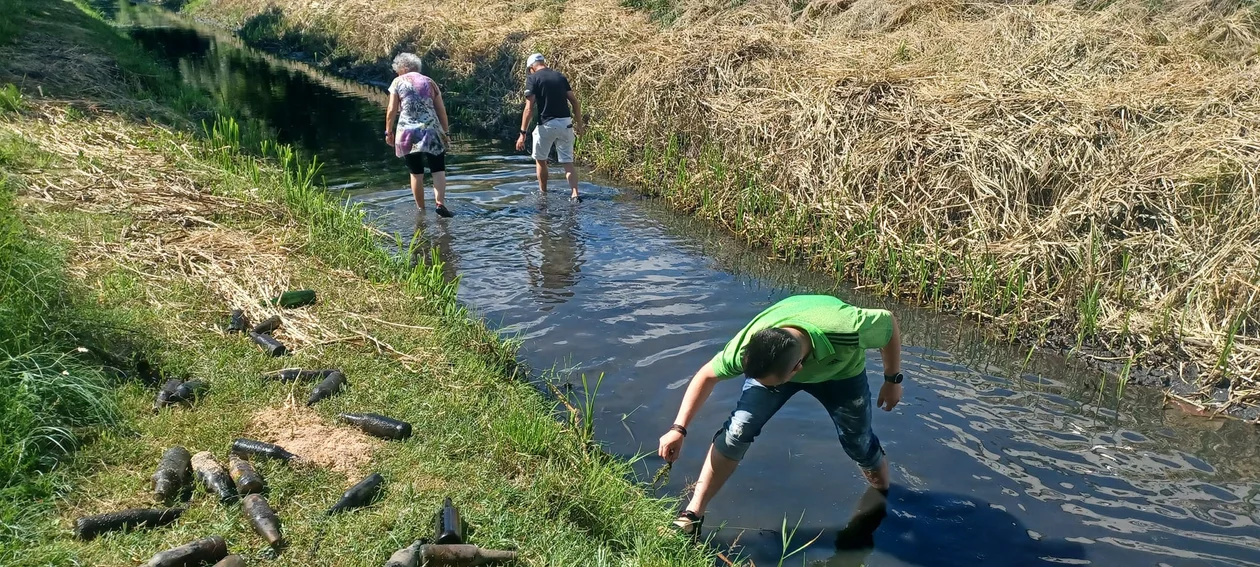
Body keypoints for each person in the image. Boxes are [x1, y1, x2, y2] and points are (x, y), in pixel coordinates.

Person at [657, 294, 905, 538]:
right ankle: (692, 515)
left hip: (841, 372)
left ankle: (882, 496)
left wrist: (892, 379)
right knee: (737, 430)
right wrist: (678, 429)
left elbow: (888, 322)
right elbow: (706, 375)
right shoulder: (747, 346)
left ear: (797, 369)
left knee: (858, 442)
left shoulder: (850, 327)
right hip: (782, 364)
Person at [386, 52, 453, 217]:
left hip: (407, 132)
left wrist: (389, 131)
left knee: (416, 173)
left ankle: (421, 210)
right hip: (431, 130)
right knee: (438, 169)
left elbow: (392, 110)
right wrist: (446, 132)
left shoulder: (397, 82)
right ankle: (440, 203)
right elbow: (441, 111)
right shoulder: (430, 82)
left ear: (403, 68)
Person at [515, 53, 585, 201]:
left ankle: (543, 193)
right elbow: (574, 101)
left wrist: (523, 133)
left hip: (546, 125)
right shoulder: (560, 76)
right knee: (568, 162)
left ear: (532, 68)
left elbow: (529, 108)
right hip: (566, 124)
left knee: (541, 160)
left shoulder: (532, 79)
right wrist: (579, 124)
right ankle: (575, 194)